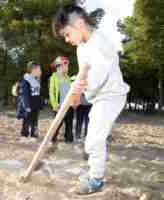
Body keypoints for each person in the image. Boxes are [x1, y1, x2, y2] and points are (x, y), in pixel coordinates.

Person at [54, 5, 130, 195]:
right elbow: (82, 73)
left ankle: (96, 180)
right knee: (95, 138)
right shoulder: (81, 48)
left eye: (67, 34)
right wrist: (77, 93)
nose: (67, 39)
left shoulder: (101, 44)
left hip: (111, 95)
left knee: (93, 141)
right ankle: (99, 157)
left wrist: (82, 86)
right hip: (99, 96)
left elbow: (96, 80)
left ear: (79, 24)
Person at [49, 56, 74, 144]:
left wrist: (73, 102)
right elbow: (52, 93)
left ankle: (69, 138)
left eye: (67, 66)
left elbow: (71, 91)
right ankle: (52, 138)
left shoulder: (68, 78)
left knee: (69, 123)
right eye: (65, 65)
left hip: (68, 105)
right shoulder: (54, 77)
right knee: (57, 124)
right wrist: (55, 105)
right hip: (59, 106)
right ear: (59, 66)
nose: (67, 68)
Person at [16, 61, 43, 138]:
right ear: (33, 70)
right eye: (39, 69)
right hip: (28, 105)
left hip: (35, 104)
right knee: (26, 120)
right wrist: (26, 106)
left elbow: (38, 93)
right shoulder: (26, 81)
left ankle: (34, 134)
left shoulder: (37, 80)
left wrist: (40, 103)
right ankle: (24, 135)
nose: (40, 71)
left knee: (35, 121)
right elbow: (25, 95)